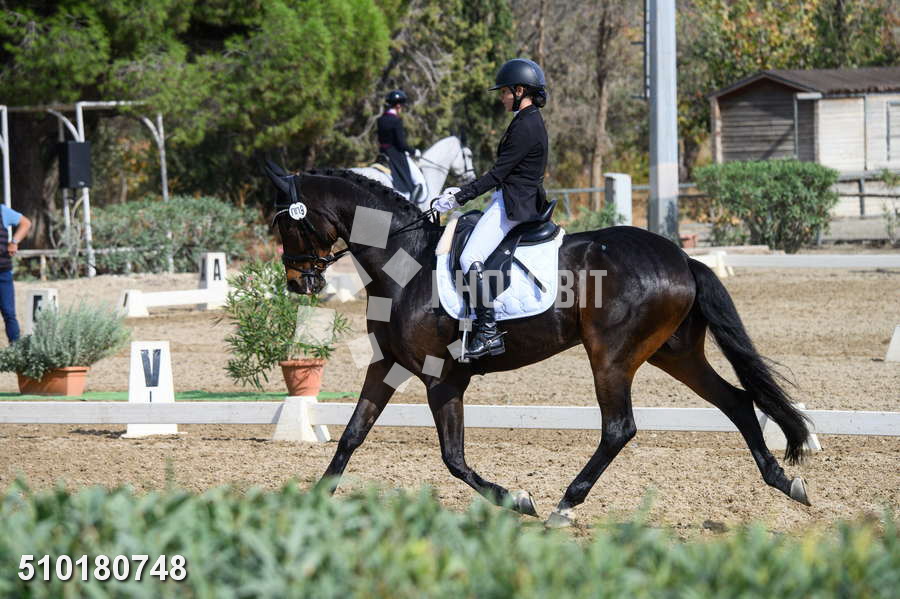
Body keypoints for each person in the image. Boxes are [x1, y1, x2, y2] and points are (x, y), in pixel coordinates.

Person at [433, 58, 549, 360]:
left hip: (515, 204)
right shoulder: (526, 119)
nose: (502, 97)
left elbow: (497, 174)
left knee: (470, 257)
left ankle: (487, 332)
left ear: (520, 91)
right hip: (511, 197)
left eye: (505, 91)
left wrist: (458, 198)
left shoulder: (526, 125)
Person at [376, 89, 418, 195]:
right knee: (412, 180)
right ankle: (408, 193)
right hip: (395, 154)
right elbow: (401, 144)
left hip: (383, 153)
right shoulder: (396, 121)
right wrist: (413, 151)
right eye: (402, 105)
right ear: (398, 105)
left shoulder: (380, 119)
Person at [0, 204, 31, 343]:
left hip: (3, 272)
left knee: (9, 313)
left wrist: (14, 242)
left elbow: (26, 223)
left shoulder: (2, 211)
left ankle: (16, 350)